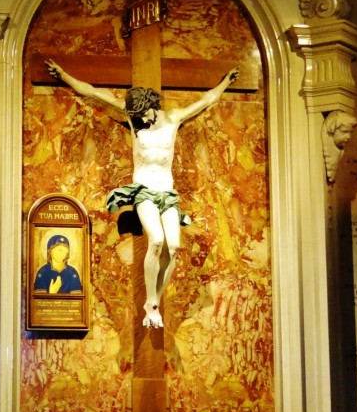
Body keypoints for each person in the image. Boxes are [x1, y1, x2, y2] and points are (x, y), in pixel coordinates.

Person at [46, 58, 238, 328]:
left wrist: (226, 83)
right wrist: (65, 76)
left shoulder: (173, 118)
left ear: (153, 105)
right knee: (157, 240)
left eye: (144, 115)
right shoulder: (134, 119)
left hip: (167, 193)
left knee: (174, 246)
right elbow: (92, 92)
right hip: (144, 191)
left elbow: (206, 100)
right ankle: (151, 303)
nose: (140, 120)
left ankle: (153, 304)